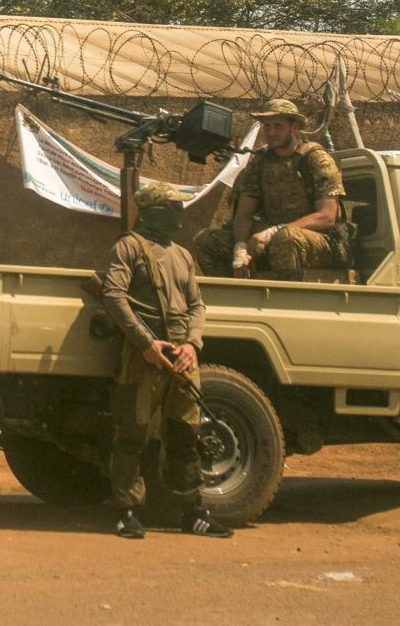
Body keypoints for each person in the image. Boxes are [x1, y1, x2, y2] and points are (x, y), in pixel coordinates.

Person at [101, 182, 233, 540]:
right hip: (144, 359)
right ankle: (127, 511)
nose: (179, 215)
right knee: (133, 436)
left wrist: (193, 344)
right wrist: (146, 344)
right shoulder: (128, 247)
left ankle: (193, 513)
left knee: (185, 435)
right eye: (173, 207)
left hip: (182, 361)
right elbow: (113, 295)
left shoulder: (183, 255)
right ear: (154, 211)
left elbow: (197, 305)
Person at [193, 99, 350, 280]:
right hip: (270, 239)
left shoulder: (316, 160)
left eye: (278, 126)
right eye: (267, 126)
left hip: (321, 243)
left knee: (285, 238)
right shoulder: (261, 161)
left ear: (295, 127)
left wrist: (273, 232)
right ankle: (238, 297)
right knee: (207, 241)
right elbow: (244, 212)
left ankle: (284, 300)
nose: (271, 132)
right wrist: (240, 248)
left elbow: (327, 217)